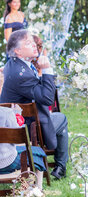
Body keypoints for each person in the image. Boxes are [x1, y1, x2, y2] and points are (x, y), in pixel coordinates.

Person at [0, 30, 69, 180]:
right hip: (25, 128)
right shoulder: (22, 74)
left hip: (14, 122)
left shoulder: (13, 65)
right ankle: (61, 167)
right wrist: (47, 69)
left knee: (55, 117)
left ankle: (60, 166)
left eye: (33, 42)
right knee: (61, 119)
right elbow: (48, 99)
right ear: (18, 51)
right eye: (28, 43)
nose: (33, 45)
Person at [0, 104, 53, 197]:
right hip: (6, 161)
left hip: (5, 156)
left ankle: (34, 195)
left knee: (34, 152)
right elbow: (17, 139)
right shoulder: (5, 112)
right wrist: (16, 114)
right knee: (38, 157)